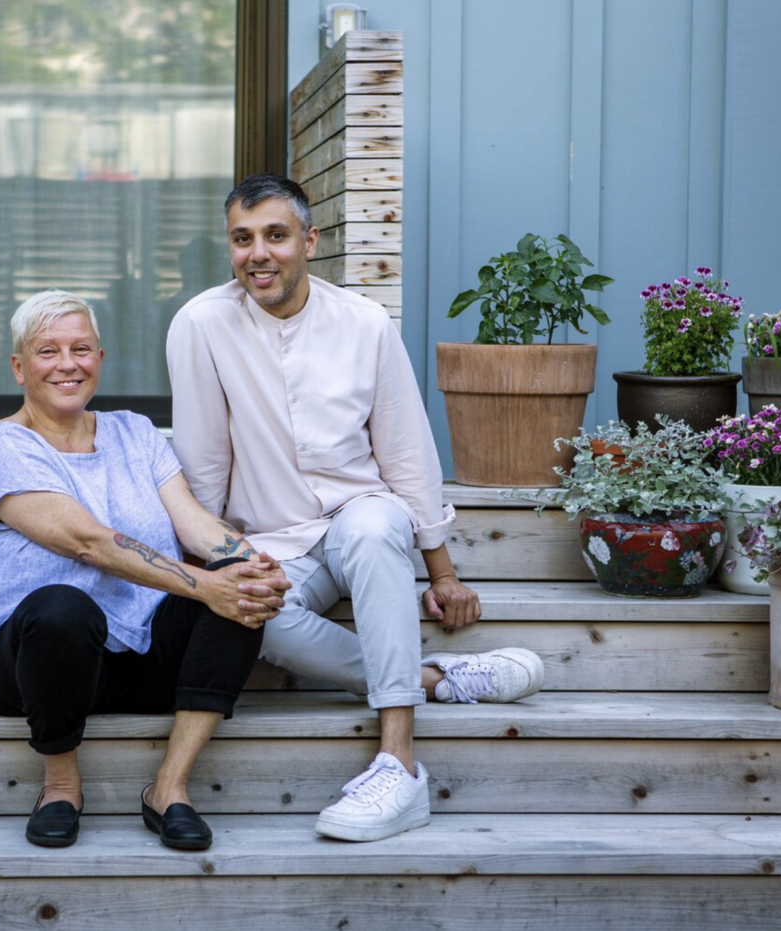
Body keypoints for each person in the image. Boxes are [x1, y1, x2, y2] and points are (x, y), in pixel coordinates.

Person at [166, 174, 545, 843]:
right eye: (242, 238)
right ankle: (436, 678)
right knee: (256, 618)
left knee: (373, 526)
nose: (259, 253)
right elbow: (202, 465)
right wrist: (217, 567)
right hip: (272, 540)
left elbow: (407, 453)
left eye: (276, 235)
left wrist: (445, 573)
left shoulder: (365, 323)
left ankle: (398, 763)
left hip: (357, 519)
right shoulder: (200, 324)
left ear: (310, 241)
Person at [0, 288, 290, 850]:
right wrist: (206, 584)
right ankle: (61, 786)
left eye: (81, 348)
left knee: (238, 595)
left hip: (137, 658)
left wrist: (248, 564)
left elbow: (193, 524)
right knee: (62, 604)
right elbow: (89, 543)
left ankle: (169, 787)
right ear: (19, 367)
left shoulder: (135, 433)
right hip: (28, 667)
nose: (68, 364)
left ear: (100, 359)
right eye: (48, 351)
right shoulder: (3, 446)